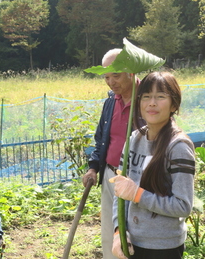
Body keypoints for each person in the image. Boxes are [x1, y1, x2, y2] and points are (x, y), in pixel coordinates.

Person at [110, 71, 195, 259]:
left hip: (163, 247)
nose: (152, 103)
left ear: (174, 104)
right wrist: (118, 231)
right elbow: (120, 191)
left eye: (160, 97)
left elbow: (183, 206)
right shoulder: (133, 139)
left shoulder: (178, 147)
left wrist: (138, 194)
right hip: (132, 241)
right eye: (146, 96)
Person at [82, 48, 140, 259]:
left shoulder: (147, 100)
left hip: (137, 179)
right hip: (110, 175)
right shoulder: (110, 102)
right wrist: (93, 168)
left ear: (131, 72)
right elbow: (101, 141)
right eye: (106, 77)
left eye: (116, 75)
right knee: (110, 231)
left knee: (136, 232)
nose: (111, 82)